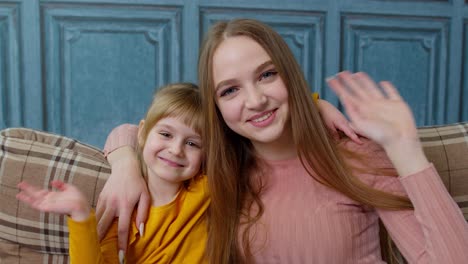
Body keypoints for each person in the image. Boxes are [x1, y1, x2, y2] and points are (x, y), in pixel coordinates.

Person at [97, 19, 468, 263]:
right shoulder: (220, 168)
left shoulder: (354, 155)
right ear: (217, 109)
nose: (255, 100)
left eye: (267, 75)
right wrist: (126, 162)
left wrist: (406, 150)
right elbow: (143, 130)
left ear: (290, 76)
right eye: (230, 90)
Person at [16, 83, 210, 263]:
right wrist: (80, 215)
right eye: (166, 134)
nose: (176, 150)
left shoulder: (208, 189)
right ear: (142, 133)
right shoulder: (121, 208)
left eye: (192, 143)